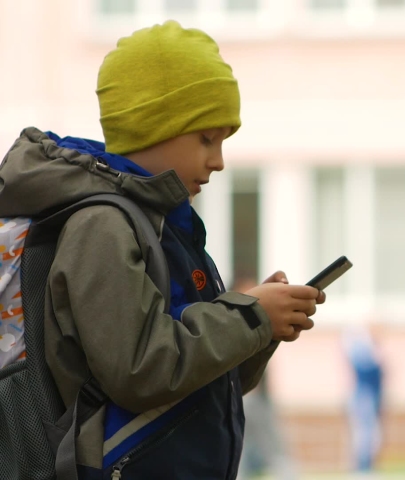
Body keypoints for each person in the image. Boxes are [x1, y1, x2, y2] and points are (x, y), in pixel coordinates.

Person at [0, 21, 324, 479]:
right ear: (151, 127)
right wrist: (247, 318)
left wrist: (260, 327)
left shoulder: (165, 224)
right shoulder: (103, 226)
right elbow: (140, 370)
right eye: (206, 139)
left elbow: (200, 382)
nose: (219, 161)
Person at [233, 277, 297, 480]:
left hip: (256, 399)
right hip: (244, 399)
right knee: (248, 451)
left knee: (272, 449)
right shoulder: (234, 322)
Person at [342, 324, 385, 474]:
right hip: (363, 397)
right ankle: (362, 468)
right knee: (363, 435)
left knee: (371, 435)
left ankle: (367, 467)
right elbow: (368, 372)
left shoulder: (370, 349)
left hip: (371, 397)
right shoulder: (360, 349)